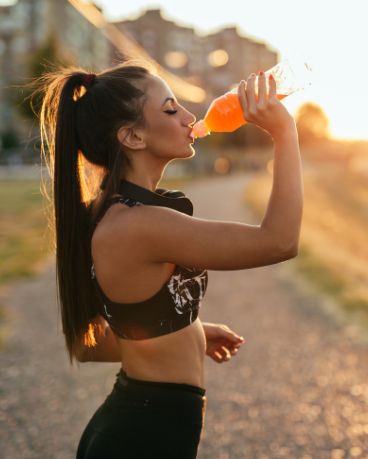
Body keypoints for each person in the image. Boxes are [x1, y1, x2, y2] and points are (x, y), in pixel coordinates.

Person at [36, 61, 302, 458]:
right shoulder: (140, 224)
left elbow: (88, 345)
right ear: (133, 136)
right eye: (171, 109)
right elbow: (279, 242)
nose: (190, 117)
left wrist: (185, 331)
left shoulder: (114, 212)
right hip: (141, 438)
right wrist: (284, 133)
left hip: (135, 429)